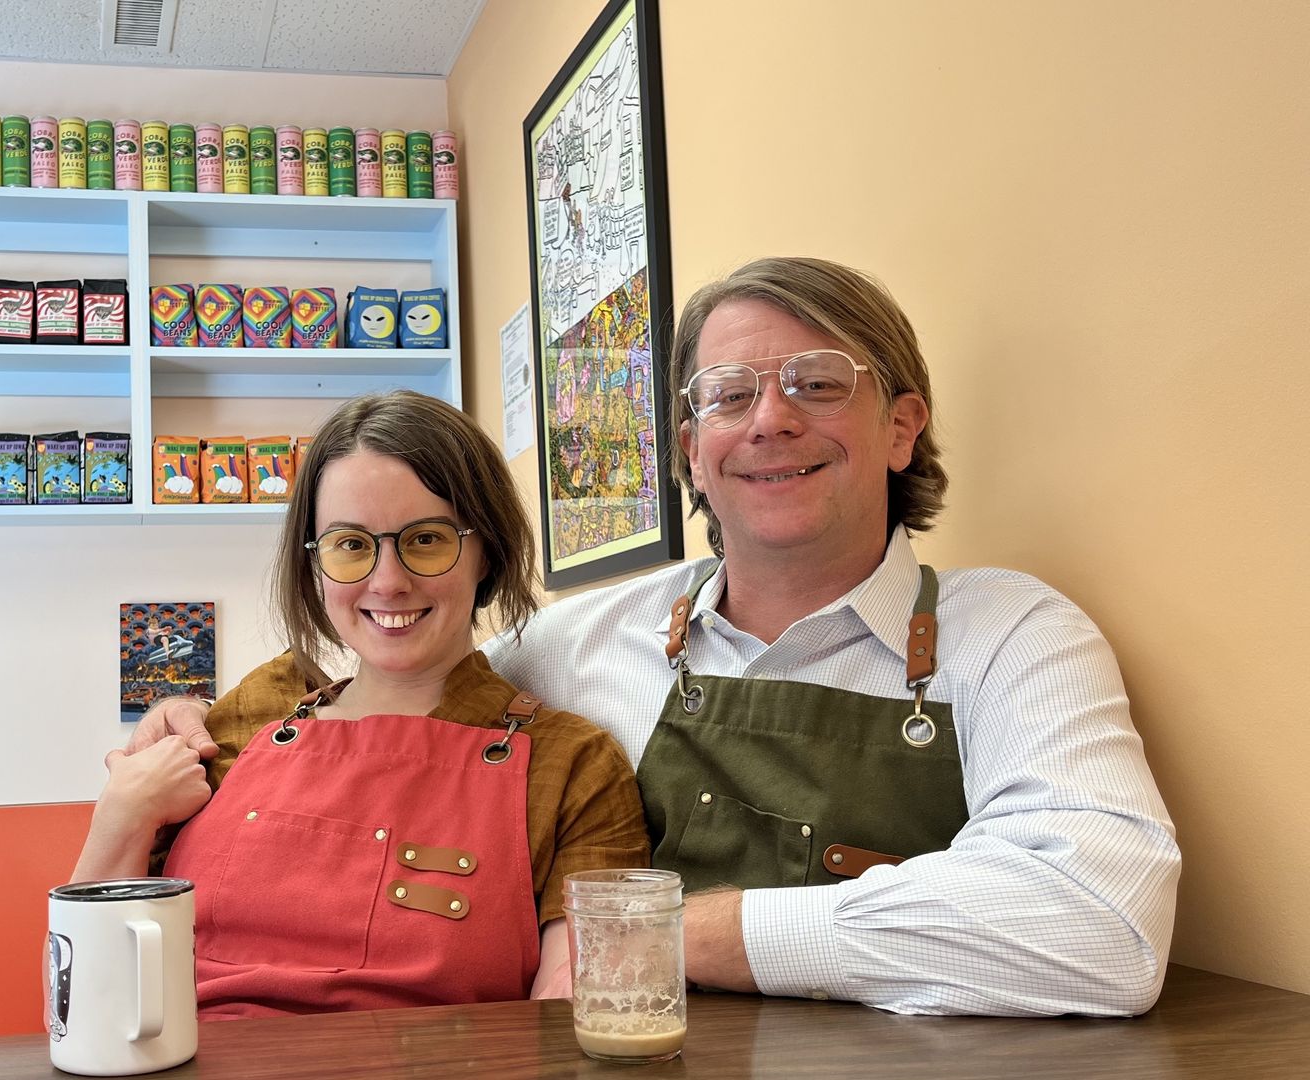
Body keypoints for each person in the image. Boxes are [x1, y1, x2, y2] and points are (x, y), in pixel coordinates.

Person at [136, 257, 1181, 1018]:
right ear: (690, 446)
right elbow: (401, 681)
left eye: (816, 383)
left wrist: (684, 934)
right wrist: (198, 727)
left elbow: (1105, 928)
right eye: (727, 396)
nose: (767, 420)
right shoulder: (576, 644)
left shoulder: (1014, 637)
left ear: (902, 425)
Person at [75, 389, 648, 1020]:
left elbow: (576, 1009)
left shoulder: (572, 766)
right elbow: (89, 1001)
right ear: (315, 566)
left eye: (426, 539)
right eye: (350, 544)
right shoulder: (252, 714)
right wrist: (122, 813)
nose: (387, 580)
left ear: (486, 551)